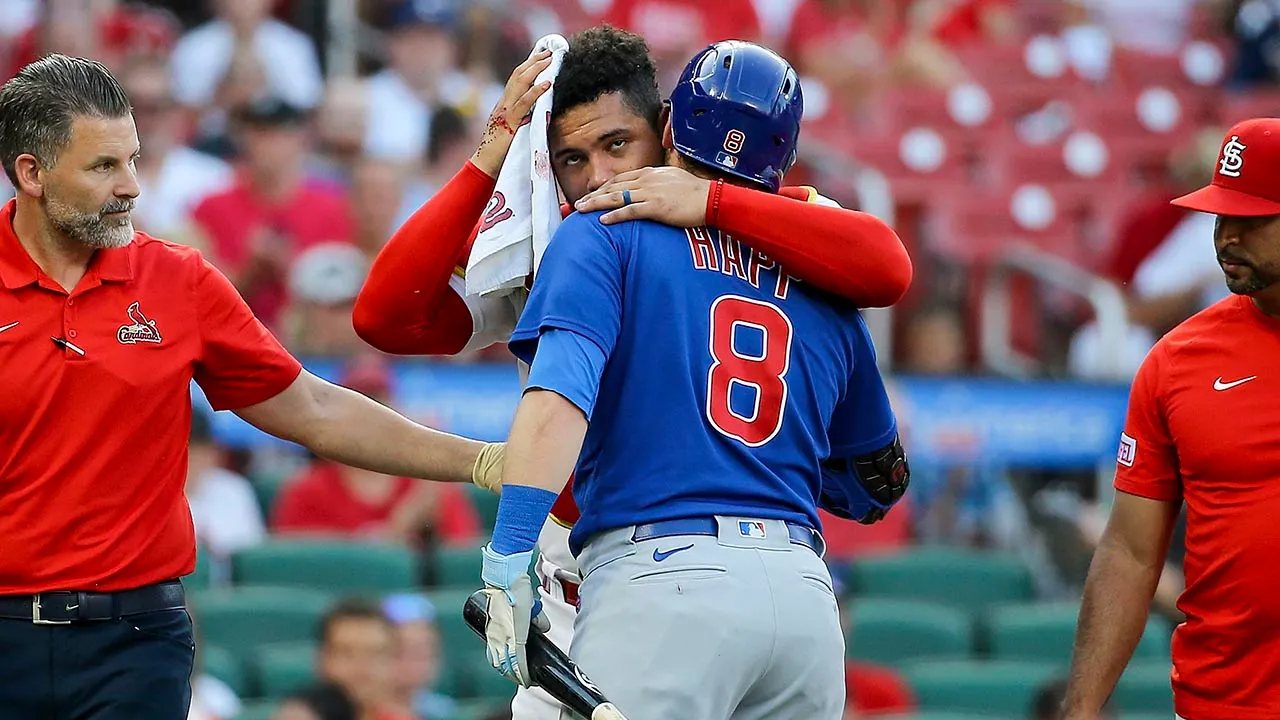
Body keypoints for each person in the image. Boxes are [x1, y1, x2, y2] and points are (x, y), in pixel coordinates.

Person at [353, 25, 911, 720]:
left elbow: (556, 402)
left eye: (618, 145)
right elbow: (385, 316)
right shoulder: (791, 249)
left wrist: (506, 553)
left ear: (667, 128)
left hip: (647, 574)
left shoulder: (602, 235)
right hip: (789, 581)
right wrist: (491, 153)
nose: (599, 177)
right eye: (571, 159)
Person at [0, 54, 503, 719]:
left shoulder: (179, 281)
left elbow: (316, 409)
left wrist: (480, 459)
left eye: (133, 159)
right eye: (103, 167)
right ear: (31, 173)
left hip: (134, 642)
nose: (131, 187)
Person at [1061, 118, 1280, 719]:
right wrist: (1079, 710)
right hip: (1220, 702)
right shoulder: (1178, 361)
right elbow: (1131, 550)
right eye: (1218, 216)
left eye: (1251, 219)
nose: (1225, 237)